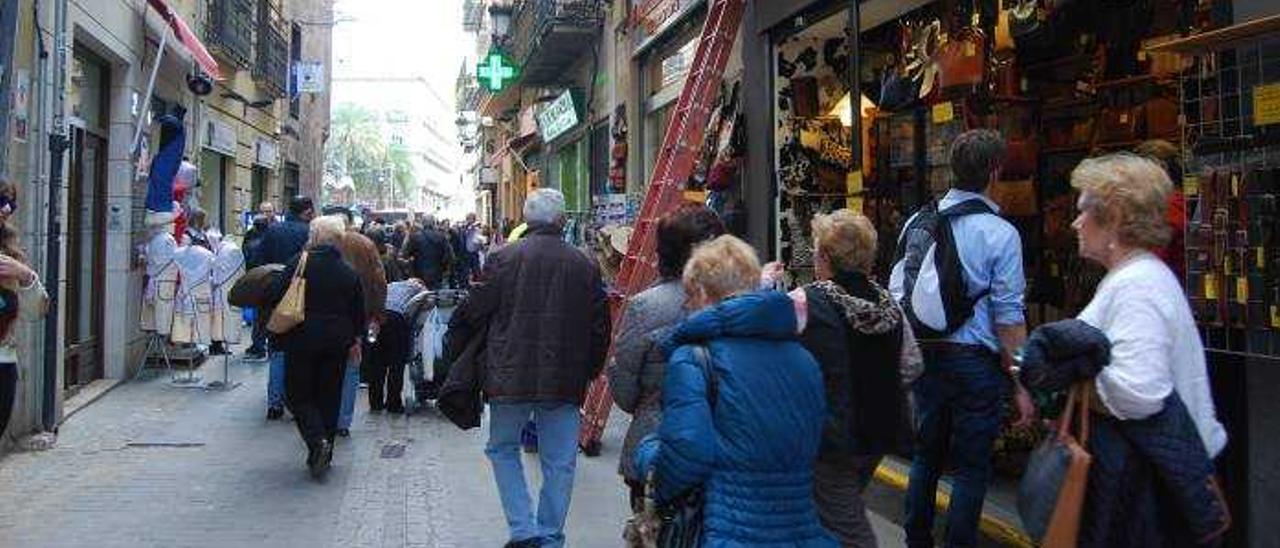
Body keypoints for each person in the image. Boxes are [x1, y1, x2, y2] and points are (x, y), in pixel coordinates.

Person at [1067, 153, 1228, 545]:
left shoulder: (1137, 286)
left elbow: (1139, 393)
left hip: (1152, 490)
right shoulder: (1133, 278)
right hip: (1148, 481)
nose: (1075, 222)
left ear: (1116, 218)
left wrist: (1071, 377)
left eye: (1084, 210)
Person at [634, 235, 835, 547]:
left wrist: (648, 454)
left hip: (724, 530)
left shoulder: (694, 359)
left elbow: (687, 454)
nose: (687, 305)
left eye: (689, 295)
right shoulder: (804, 359)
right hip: (800, 531)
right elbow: (818, 442)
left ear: (702, 292)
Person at [894, 129, 1035, 548]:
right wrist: (1021, 379)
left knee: (927, 456)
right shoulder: (1001, 234)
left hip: (926, 355)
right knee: (972, 467)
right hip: (975, 363)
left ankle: (916, 540)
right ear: (995, 172)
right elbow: (1009, 319)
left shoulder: (917, 221)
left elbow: (901, 288)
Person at [449, 189, 609, 548]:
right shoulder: (584, 263)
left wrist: (458, 340)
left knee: (503, 448)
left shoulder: (503, 258)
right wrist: (591, 368)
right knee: (560, 460)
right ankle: (550, 535)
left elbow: (475, 308)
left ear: (526, 221)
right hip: (564, 376)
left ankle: (523, 530)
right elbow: (600, 325)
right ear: (562, 221)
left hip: (509, 372)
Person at [792, 210, 923, 547]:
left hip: (829, 435)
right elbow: (911, 364)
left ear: (823, 257)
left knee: (847, 526)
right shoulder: (889, 305)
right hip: (879, 430)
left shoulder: (807, 302)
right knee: (831, 513)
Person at [608, 203, 724, 512]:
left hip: (657, 439)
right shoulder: (744, 301)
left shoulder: (646, 306)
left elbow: (626, 392)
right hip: (725, 439)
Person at [267, 215, 365, 478]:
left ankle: (316, 440)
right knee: (329, 396)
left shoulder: (299, 264)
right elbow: (358, 310)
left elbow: (276, 293)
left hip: (301, 338)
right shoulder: (348, 272)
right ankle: (325, 451)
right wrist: (356, 340)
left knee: (296, 393)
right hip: (337, 342)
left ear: (315, 237)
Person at [0, 179, 49, 444]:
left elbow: (34, 313)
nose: (6, 209)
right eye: (1, 201)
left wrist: (27, 277)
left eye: (11, 203)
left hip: (3, 363)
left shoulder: (10, 256)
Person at [258, 195, 315, 420]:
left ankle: (274, 403)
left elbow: (259, 261)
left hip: (276, 297)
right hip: (301, 298)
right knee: (300, 353)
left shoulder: (273, 231)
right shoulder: (308, 233)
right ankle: (297, 401)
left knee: (278, 351)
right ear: (307, 212)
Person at [333, 216, 387, 436]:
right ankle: (343, 422)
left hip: (325, 315)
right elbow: (379, 281)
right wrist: (377, 314)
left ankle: (326, 414)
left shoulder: (319, 244)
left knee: (327, 367)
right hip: (359, 313)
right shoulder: (365, 244)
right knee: (351, 366)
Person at [370, 277, 426, 414]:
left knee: (377, 363)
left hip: (378, 317)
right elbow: (429, 299)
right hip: (396, 319)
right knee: (397, 364)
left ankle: (375, 403)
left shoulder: (391, 284)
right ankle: (393, 404)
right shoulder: (417, 287)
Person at [400, 214, 453, 290]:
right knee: (435, 297)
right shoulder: (441, 237)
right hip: (437, 273)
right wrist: (445, 269)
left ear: (422, 223)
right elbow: (449, 255)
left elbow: (405, 254)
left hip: (419, 273)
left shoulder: (414, 237)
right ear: (433, 223)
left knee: (421, 297)